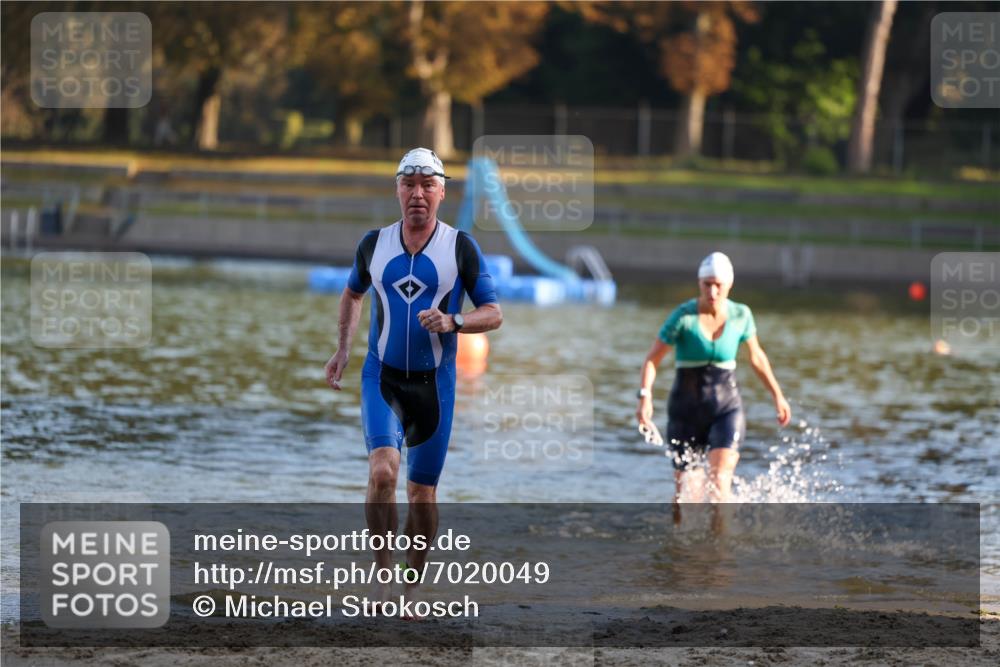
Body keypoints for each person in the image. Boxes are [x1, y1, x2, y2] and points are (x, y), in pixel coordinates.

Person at [325, 148, 502, 611]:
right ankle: (383, 576)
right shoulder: (374, 244)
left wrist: (454, 321)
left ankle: (411, 584)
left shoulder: (460, 247)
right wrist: (343, 349)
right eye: (409, 184)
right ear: (397, 190)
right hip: (381, 378)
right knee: (382, 471)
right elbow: (352, 294)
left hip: (433, 387)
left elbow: (493, 313)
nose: (417, 194)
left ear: (442, 193)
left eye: (427, 185)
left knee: (422, 495)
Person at [636, 252, 790, 519]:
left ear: (729, 284)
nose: (713, 291)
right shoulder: (683, 317)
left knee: (720, 483)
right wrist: (645, 396)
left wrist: (778, 396)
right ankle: (680, 542)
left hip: (726, 409)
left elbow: (757, 357)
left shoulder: (741, 315)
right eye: (707, 284)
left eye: (718, 285)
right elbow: (652, 359)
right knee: (686, 498)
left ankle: (721, 544)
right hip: (685, 412)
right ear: (699, 283)